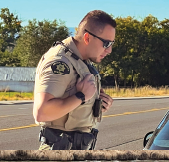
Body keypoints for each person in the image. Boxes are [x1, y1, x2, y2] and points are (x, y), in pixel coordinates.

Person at [33, 10, 116, 150]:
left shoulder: (81, 61)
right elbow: (42, 112)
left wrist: (97, 104)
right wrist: (81, 96)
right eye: (106, 44)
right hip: (59, 156)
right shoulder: (60, 61)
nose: (109, 50)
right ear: (87, 38)